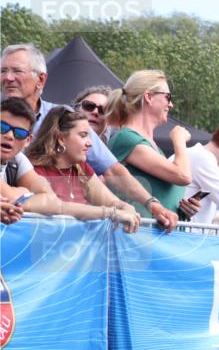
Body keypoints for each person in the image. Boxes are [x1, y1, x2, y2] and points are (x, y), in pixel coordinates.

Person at [2, 45, 178, 230]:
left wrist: (151, 204)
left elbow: (113, 171)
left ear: (41, 79)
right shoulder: (33, 162)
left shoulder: (64, 119)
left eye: (17, 71)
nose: (7, 78)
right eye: (3, 71)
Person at [0, 97, 137, 231]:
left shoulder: (79, 168)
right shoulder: (35, 167)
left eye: (19, 133)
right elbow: (13, 199)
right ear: (61, 139)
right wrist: (23, 193)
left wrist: (126, 208)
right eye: (83, 135)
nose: (10, 135)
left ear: (28, 139)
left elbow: (54, 204)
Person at [106, 69, 192, 218]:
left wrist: (184, 210)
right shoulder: (126, 138)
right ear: (149, 97)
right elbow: (183, 176)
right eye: (168, 97)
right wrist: (179, 140)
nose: (171, 104)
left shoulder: (152, 146)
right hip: (139, 237)